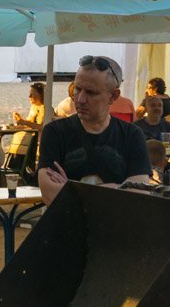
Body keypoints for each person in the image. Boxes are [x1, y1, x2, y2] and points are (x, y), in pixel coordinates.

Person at [37, 55, 152, 206]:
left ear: (114, 96)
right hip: (66, 228)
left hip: (113, 228)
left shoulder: (132, 135)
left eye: (91, 93)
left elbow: (138, 195)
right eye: (78, 89)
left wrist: (70, 189)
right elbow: (50, 194)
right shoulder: (55, 132)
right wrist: (115, 189)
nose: (80, 99)